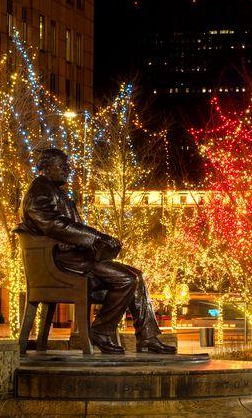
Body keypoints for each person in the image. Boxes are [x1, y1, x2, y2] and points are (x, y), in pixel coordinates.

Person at [19, 148, 175, 355]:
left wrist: (100, 241)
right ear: (46, 167)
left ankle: (148, 338)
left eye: (68, 166)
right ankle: (101, 330)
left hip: (73, 258)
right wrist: (96, 238)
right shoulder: (40, 191)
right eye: (62, 165)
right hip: (60, 262)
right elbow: (54, 224)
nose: (68, 169)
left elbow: (62, 225)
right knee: (127, 279)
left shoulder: (53, 191)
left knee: (136, 276)